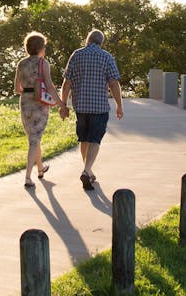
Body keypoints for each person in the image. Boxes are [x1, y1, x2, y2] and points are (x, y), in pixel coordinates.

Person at [59, 28, 123, 190]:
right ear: (101, 43)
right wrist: (119, 105)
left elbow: (67, 83)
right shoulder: (106, 57)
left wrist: (63, 105)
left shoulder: (76, 55)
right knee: (95, 139)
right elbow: (113, 83)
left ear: (87, 40)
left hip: (80, 106)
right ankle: (87, 171)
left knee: (84, 139)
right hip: (99, 107)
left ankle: (88, 170)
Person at [14, 31, 66, 189]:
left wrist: (28, 91)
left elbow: (17, 88)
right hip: (39, 103)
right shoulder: (43, 63)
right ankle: (28, 177)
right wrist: (62, 104)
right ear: (41, 47)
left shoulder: (21, 63)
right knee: (34, 140)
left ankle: (40, 168)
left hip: (25, 102)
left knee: (33, 137)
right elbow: (49, 86)